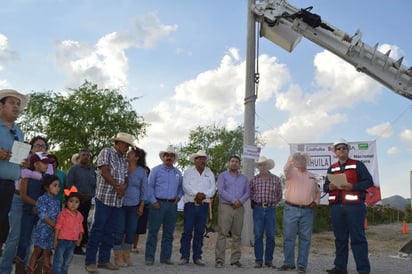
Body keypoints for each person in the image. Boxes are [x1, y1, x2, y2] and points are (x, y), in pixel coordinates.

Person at [84, 132, 135, 273]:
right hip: (104, 198)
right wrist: (117, 186)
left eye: (129, 146)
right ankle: (90, 261)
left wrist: (123, 187)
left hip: (117, 201)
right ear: (119, 143)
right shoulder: (106, 152)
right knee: (98, 229)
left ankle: (104, 260)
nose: (127, 148)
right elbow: (104, 172)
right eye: (126, 145)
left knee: (111, 231)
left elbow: (126, 178)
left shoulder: (123, 160)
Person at [0, 136, 49, 274]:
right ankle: (5, 269)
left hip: (35, 202)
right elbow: (15, 173)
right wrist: (26, 169)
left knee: (28, 238)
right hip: (17, 198)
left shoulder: (48, 163)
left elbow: (48, 180)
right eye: (37, 145)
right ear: (31, 148)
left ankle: (25, 268)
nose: (40, 148)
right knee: (14, 236)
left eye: (43, 146)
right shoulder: (21, 157)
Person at [324, 138, 373, 274]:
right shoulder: (332, 168)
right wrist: (330, 186)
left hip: (355, 207)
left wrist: (353, 186)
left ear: (348, 150)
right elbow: (325, 187)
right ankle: (340, 268)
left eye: (344, 148)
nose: (341, 150)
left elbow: (369, 181)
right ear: (335, 152)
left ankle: (363, 270)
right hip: (336, 208)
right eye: (338, 148)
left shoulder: (358, 165)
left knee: (358, 238)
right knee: (340, 239)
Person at [279, 152, 320, 274]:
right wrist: (292, 158)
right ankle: (289, 263)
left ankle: (302, 265)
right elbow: (286, 168)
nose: (300, 161)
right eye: (298, 159)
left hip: (307, 211)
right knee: (288, 238)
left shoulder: (312, 176)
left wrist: (316, 201)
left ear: (306, 162)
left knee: (305, 239)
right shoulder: (291, 173)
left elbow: (317, 192)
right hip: (291, 209)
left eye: (303, 159)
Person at [15, 152, 55, 273]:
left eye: (48, 164)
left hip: (41, 216)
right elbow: (23, 196)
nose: (47, 166)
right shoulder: (25, 177)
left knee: (41, 241)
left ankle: (36, 268)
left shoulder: (46, 181)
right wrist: (37, 204)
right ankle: (20, 268)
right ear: (36, 164)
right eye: (44, 163)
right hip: (28, 213)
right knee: (24, 240)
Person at [145, 145, 183, 266]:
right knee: (153, 232)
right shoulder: (156, 170)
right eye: (167, 155)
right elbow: (149, 186)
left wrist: (179, 195)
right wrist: (153, 200)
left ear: (174, 158)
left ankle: (165, 257)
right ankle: (149, 257)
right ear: (163, 157)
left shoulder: (178, 173)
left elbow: (181, 188)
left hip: (172, 205)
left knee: (168, 233)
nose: (169, 158)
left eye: (171, 156)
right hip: (157, 204)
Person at [0, 89, 28, 256]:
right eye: (11, 102)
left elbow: (19, 159)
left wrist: (24, 163)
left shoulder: (19, 132)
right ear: (1, 105)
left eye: (18, 104)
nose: (16, 107)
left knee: (3, 227)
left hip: (9, 185)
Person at [178, 150, 216, 266]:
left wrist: (203, 196)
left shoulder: (209, 173)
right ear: (195, 160)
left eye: (203, 158)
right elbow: (185, 186)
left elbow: (213, 188)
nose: (201, 160)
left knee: (200, 232)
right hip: (190, 205)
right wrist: (197, 195)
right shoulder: (189, 172)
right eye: (199, 158)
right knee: (187, 232)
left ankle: (197, 257)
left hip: (203, 206)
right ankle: (184, 257)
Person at [113, 147, 148, 267]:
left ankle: (126, 255)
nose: (128, 154)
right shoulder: (122, 166)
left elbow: (144, 189)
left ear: (137, 157)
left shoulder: (142, 171)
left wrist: (141, 206)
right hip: (120, 203)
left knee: (131, 230)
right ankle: (117, 257)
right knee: (119, 230)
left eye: (131, 153)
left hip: (134, 205)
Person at [215, 155, 250, 268]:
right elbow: (221, 190)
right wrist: (234, 200)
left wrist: (240, 201)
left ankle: (235, 260)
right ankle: (219, 260)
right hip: (225, 206)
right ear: (229, 163)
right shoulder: (222, 176)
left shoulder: (244, 178)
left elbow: (248, 192)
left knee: (237, 235)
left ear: (239, 164)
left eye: (236, 162)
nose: (234, 163)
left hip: (239, 208)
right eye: (232, 161)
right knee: (222, 233)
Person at [249, 156, 282, 268]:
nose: (262, 167)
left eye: (264, 165)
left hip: (271, 209)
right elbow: (251, 194)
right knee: (258, 235)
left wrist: (272, 203)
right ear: (258, 167)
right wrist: (257, 203)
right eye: (260, 165)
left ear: (268, 166)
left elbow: (279, 195)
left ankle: (269, 260)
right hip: (258, 209)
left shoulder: (276, 179)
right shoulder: (254, 180)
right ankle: (258, 260)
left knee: (271, 235)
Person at [26, 174, 61, 274]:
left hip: (51, 232)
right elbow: (43, 215)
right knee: (37, 251)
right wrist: (55, 226)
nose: (58, 188)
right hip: (42, 230)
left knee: (47, 253)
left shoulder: (57, 201)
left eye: (58, 186)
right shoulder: (42, 199)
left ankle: (47, 270)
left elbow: (58, 216)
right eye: (55, 185)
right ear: (46, 187)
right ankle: (31, 270)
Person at [66, 148, 96, 255]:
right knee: (72, 223)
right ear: (79, 157)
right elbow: (69, 184)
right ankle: (71, 246)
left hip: (87, 201)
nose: (86, 157)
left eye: (88, 155)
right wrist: (78, 195)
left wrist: (90, 195)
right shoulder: (73, 169)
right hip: (74, 201)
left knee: (82, 223)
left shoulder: (93, 171)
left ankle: (80, 244)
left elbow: (95, 187)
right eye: (83, 155)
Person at [52, 186, 84, 274]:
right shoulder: (63, 214)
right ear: (66, 202)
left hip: (73, 242)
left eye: (76, 202)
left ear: (79, 204)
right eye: (71, 201)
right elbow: (58, 227)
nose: (73, 204)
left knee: (67, 261)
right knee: (59, 261)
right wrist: (55, 240)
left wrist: (80, 239)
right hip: (62, 241)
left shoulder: (79, 216)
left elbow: (80, 229)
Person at [132, 166, 151, 254]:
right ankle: (125, 245)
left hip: (146, 206)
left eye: (147, 172)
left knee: (139, 228)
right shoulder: (136, 182)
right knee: (129, 226)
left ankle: (134, 246)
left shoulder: (149, 183)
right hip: (135, 205)